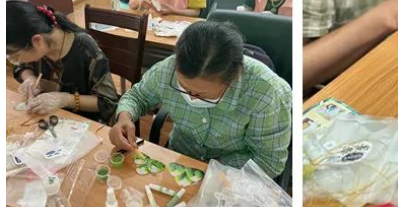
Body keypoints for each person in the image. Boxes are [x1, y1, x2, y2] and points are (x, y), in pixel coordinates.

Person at [109, 20, 291, 178]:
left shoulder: (267, 92)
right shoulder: (167, 69)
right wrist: (124, 117)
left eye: (199, 94)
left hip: (232, 175)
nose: (190, 97)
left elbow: (269, 161)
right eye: (182, 86)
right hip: (180, 157)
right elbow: (137, 96)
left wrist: (212, 171)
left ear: (233, 77)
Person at [7, 1, 118, 124]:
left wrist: (66, 100)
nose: (17, 61)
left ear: (37, 41)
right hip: (48, 117)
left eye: (16, 56)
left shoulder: (86, 49)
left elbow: (108, 103)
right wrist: (29, 78)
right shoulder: (38, 46)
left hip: (83, 123)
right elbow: (22, 67)